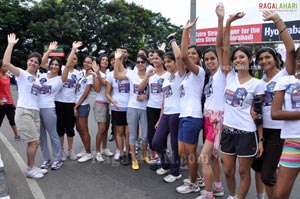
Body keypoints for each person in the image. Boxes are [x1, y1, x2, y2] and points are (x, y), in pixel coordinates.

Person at [250, 11, 296, 199]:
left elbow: (291, 48)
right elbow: (258, 107)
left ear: (276, 58)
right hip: (263, 132)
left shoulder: (286, 74)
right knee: (261, 170)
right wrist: (254, 111)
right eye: (260, 59)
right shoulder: (259, 82)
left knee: (269, 175)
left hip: (280, 132)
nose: (264, 61)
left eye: (267, 57)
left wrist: (277, 20)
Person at [220, 12, 264, 199]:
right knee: (228, 171)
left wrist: (260, 139)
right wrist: (228, 22)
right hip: (228, 131)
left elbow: (259, 114)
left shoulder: (257, 84)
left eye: (242, 57)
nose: (238, 60)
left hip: (247, 132)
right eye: (235, 57)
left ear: (250, 59)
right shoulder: (228, 76)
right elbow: (224, 47)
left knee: (244, 173)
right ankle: (232, 195)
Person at [2, 33, 48, 178]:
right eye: (31, 61)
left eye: (36, 62)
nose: (33, 63)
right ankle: (29, 169)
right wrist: (11, 44)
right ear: (27, 61)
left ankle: (32, 166)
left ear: (39, 65)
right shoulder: (21, 73)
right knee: (34, 142)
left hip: (35, 111)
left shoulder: (38, 77)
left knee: (34, 142)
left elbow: (45, 61)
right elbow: (7, 63)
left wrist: (49, 51)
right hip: (24, 111)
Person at [196, 3, 225, 199]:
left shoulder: (223, 73)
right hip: (208, 118)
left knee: (203, 158)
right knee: (213, 157)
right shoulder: (211, 77)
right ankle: (217, 187)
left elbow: (220, 45)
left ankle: (208, 195)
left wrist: (221, 19)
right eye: (206, 59)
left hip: (216, 120)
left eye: (212, 58)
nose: (209, 61)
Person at [270, 13, 299, 199]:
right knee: (280, 193)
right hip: (293, 142)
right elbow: (275, 113)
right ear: (297, 61)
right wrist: (277, 20)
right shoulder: (286, 81)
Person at [175, 18, 206, 194]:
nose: (191, 55)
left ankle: (193, 183)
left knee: (190, 153)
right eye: (190, 53)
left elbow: (184, 56)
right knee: (182, 152)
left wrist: (185, 31)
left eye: (195, 54)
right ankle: (198, 178)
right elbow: (180, 57)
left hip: (193, 116)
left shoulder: (198, 72)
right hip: (183, 116)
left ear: (198, 58)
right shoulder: (185, 76)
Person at [152, 32, 184, 183]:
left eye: (169, 62)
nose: (167, 64)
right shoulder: (166, 78)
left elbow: (179, 57)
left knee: (174, 145)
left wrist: (172, 40)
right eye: (165, 62)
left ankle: (175, 171)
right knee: (156, 142)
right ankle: (165, 164)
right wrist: (160, 118)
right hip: (166, 114)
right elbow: (165, 99)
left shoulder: (180, 74)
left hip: (177, 114)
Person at [63, 42, 100, 163]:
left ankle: (89, 153)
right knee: (78, 128)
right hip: (76, 104)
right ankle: (85, 149)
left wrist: (76, 106)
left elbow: (85, 94)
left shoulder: (91, 76)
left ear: (93, 64)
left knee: (84, 129)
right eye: (85, 62)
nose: (86, 64)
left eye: (89, 62)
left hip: (82, 106)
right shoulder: (81, 74)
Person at [114, 49, 149, 170]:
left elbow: (156, 92)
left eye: (142, 62)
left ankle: (144, 155)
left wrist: (147, 95)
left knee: (145, 135)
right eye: (138, 62)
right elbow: (117, 75)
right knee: (132, 134)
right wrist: (118, 59)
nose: (140, 64)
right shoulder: (131, 73)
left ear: (146, 64)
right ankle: (134, 159)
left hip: (145, 108)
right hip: (132, 107)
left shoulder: (151, 74)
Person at [138, 49, 169, 168]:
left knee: (162, 134)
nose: (154, 60)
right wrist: (147, 76)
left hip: (164, 109)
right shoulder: (151, 74)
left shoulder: (168, 75)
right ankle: (153, 157)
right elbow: (141, 88)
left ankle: (162, 157)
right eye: (153, 58)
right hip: (151, 107)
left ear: (162, 60)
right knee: (151, 134)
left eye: (157, 58)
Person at [38, 42, 65, 170]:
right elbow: (41, 62)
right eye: (52, 64)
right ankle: (46, 159)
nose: (54, 66)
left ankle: (58, 158)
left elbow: (69, 63)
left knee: (53, 134)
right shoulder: (42, 75)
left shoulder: (60, 79)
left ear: (59, 67)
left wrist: (74, 49)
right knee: (41, 136)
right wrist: (49, 50)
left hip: (48, 108)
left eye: (56, 65)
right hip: (36, 108)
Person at [55, 49, 82, 161]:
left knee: (70, 129)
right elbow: (43, 64)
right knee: (60, 128)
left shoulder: (78, 73)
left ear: (76, 62)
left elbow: (79, 90)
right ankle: (62, 150)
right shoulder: (60, 69)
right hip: (58, 102)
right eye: (71, 58)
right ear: (67, 59)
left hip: (71, 103)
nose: (72, 60)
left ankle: (70, 150)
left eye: (74, 59)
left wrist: (76, 106)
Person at [93, 54, 114, 162]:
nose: (105, 61)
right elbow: (97, 89)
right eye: (103, 59)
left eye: (106, 60)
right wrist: (97, 73)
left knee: (106, 128)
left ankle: (104, 148)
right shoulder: (96, 73)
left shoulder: (110, 73)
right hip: (100, 103)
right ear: (99, 61)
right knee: (101, 129)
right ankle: (97, 151)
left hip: (109, 103)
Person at [0, 59, 20, 141]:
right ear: (0, 68)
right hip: (1, 103)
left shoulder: (8, 77)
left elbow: (8, 90)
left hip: (9, 102)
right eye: (4, 66)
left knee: (12, 119)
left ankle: (17, 135)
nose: (6, 68)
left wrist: (12, 101)